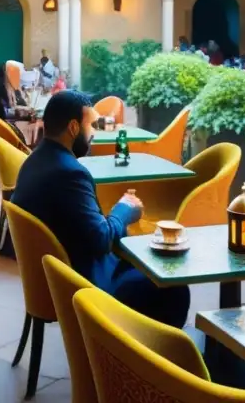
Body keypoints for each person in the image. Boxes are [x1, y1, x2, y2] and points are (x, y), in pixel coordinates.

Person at [12, 91, 190, 328]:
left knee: (145, 260)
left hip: (52, 279)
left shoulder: (33, 161)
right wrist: (124, 210)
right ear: (74, 127)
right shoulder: (71, 173)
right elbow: (99, 239)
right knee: (174, 286)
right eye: (91, 124)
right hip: (85, 286)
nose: (94, 132)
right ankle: (142, 358)